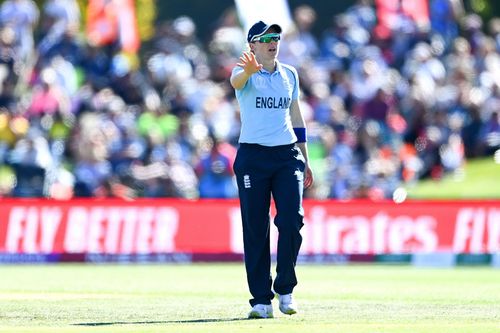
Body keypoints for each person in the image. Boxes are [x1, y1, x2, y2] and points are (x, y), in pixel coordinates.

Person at [230, 21, 314, 319]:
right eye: (265, 38)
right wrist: (250, 72)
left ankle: (285, 288)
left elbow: (296, 116)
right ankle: (260, 300)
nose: (272, 42)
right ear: (252, 45)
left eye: (276, 37)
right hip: (253, 156)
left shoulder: (289, 73)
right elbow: (237, 83)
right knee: (256, 228)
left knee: (292, 220)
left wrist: (305, 158)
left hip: (286, 155)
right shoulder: (244, 71)